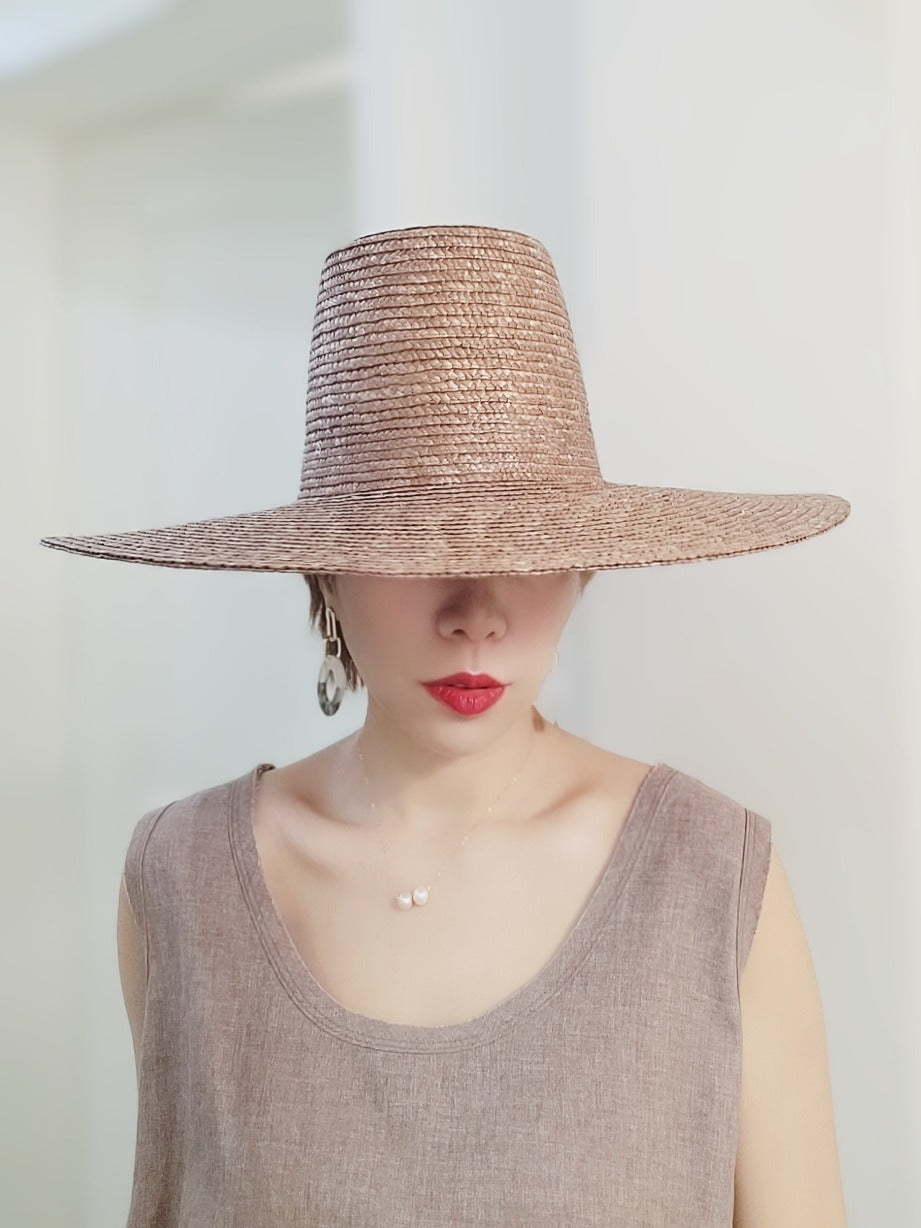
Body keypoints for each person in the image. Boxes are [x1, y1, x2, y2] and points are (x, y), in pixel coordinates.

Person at [40, 224, 850, 1226]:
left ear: (586, 563)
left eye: (531, 547)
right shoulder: (182, 877)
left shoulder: (713, 874)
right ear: (323, 568)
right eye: (413, 548)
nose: (477, 609)